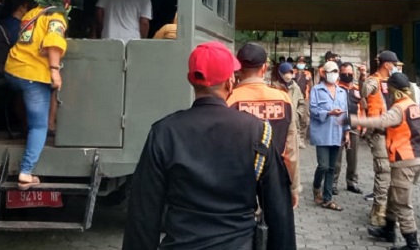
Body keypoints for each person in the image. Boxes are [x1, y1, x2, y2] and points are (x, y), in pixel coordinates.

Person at [122, 41, 296, 250]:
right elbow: (279, 212)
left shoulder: (164, 132)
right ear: (230, 82)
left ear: (191, 81)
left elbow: (143, 214)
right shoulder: (258, 132)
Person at [4, 0, 70, 189]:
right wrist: (54, 70)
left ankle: (24, 129)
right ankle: (26, 172)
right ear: (64, 1)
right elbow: (53, 42)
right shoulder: (56, 18)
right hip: (32, 74)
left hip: (12, 69)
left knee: (25, 100)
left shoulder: (31, 13)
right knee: (39, 126)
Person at [350, 72, 420, 250]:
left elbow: (380, 121)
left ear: (394, 89)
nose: (387, 92)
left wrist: (354, 120)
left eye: (389, 89)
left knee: (402, 202)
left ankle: (412, 244)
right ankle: (388, 230)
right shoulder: (412, 104)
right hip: (415, 158)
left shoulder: (399, 108)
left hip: (404, 160)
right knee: (393, 195)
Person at [228, 43, 301, 208]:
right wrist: (294, 187)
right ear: (264, 68)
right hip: (275, 179)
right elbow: (291, 151)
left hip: (238, 180)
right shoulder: (284, 99)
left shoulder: (230, 99)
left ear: (238, 68)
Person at [361, 50, 398, 228]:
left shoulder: (395, 83)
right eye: (395, 64)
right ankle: (379, 212)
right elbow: (364, 92)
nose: (396, 67)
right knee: (383, 172)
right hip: (379, 133)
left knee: (395, 175)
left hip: (396, 134)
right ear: (386, 64)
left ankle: (390, 210)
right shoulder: (373, 81)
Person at [309, 60, 351, 211]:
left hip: (337, 133)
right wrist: (329, 113)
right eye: (330, 71)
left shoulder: (342, 92)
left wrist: (347, 133)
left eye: (335, 71)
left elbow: (345, 113)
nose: (333, 75)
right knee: (323, 165)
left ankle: (328, 199)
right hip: (322, 133)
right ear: (324, 73)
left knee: (332, 168)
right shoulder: (316, 90)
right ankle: (316, 186)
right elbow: (313, 110)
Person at [333, 62, 363, 195]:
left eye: (350, 73)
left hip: (354, 126)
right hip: (338, 126)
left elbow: (362, 107)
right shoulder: (336, 88)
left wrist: (362, 124)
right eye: (344, 73)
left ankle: (352, 182)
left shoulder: (357, 89)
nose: (347, 75)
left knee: (353, 158)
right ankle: (333, 183)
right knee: (336, 157)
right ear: (340, 73)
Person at [294, 55, 313, 147]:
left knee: (305, 120)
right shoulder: (293, 72)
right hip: (294, 98)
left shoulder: (308, 74)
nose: (301, 64)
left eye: (303, 62)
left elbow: (311, 86)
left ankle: (302, 139)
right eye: (299, 62)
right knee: (295, 119)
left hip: (305, 98)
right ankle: (296, 138)